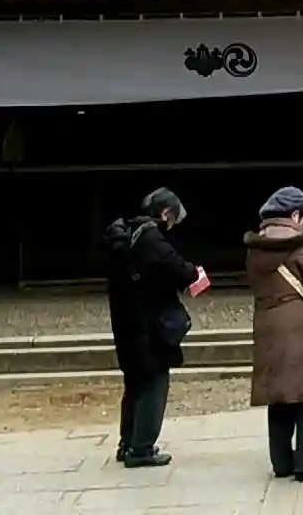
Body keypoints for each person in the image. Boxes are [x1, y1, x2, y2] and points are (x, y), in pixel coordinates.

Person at [243, 186, 303, 483]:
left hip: (266, 324)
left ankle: (282, 461)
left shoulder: (256, 245)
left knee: (279, 395)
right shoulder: (299, 243)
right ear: (296, 214)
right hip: (298, 325)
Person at [104, 187, 204, 468]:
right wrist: (196, 274)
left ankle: (128, 443)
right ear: (166, 213)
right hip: (150, 327)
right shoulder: (151, 238)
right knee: (154, 384)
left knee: (134, 385)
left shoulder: (124, 235)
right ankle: (142, 448)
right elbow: (180, 269)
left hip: (126, 324)